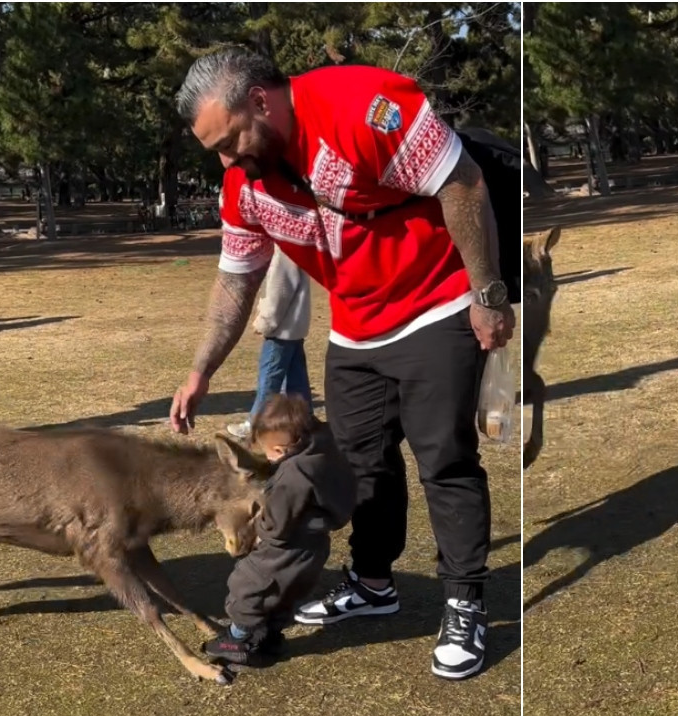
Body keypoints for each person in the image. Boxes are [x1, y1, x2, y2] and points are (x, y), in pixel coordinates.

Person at [170, 49, 514, 680]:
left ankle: (465, 602)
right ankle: (374, 582)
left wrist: (488, 295)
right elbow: (234, 282)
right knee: (358, 465)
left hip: (437, 302)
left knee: (444, 458)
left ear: (261, 103)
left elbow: (462, 183)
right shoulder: (245, 183)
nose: (227, 160)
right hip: (356, 327)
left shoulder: (361, 107)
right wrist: (201, 370)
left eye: (230, 141)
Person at [204, 394, 356, 666]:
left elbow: (277, 526)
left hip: (285, 547)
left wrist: (258, 528)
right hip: (315, 545)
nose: (269, 458)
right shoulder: (326, 449)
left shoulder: (293, 475)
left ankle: (237, 639)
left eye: (271, 451)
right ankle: (270, 636)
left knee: (248, 585)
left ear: (288, 447)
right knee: (286, 592)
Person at [226, 245, 312, 441]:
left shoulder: (284, 252)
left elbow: (278, 295)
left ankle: (254, 425)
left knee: (269, 381)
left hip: (281, 331)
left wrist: (264, 322)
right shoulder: (296, 249)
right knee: (297, 381)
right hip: (294, 329)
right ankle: (307, 421)